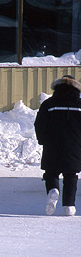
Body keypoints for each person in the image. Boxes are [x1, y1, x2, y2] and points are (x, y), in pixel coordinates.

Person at [34, 75, 81, 216]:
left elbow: (39, 124)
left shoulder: (48, 104)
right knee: (71, 175)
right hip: (74, 145)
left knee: (51, 172)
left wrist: (42, 140)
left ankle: (53, 190)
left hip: (52, 144)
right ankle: (69, 206)